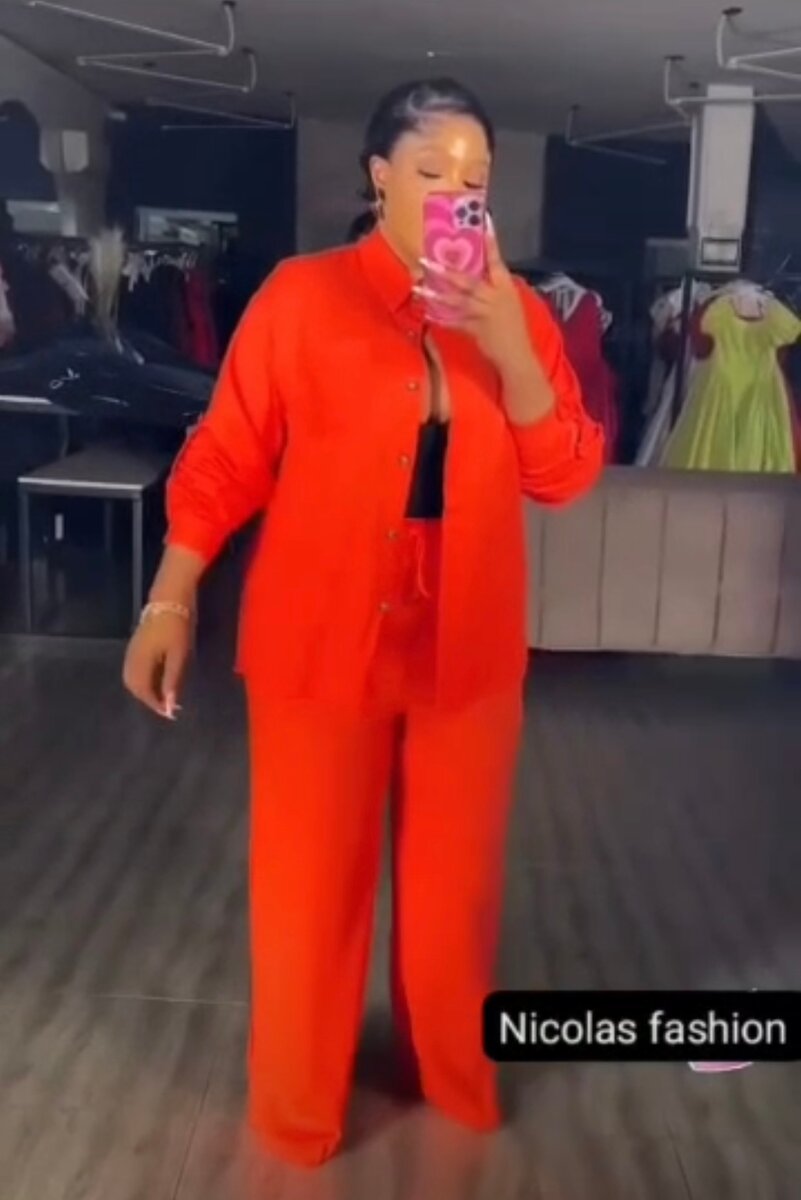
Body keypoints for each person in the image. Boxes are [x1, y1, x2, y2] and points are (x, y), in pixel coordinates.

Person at [123, 77, 604, 1168]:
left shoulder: (519, 313)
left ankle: (451, 1074)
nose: (456, 193)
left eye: (475, 178)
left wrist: (509, 343)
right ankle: (299, 1104)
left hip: (468, 644)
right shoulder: (301, 298)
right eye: (431, 171)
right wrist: (171, 594)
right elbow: (227, 455)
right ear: (380, 176)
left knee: (455, 891)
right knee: (308, 889)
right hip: (319, 632)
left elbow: (565, 474)